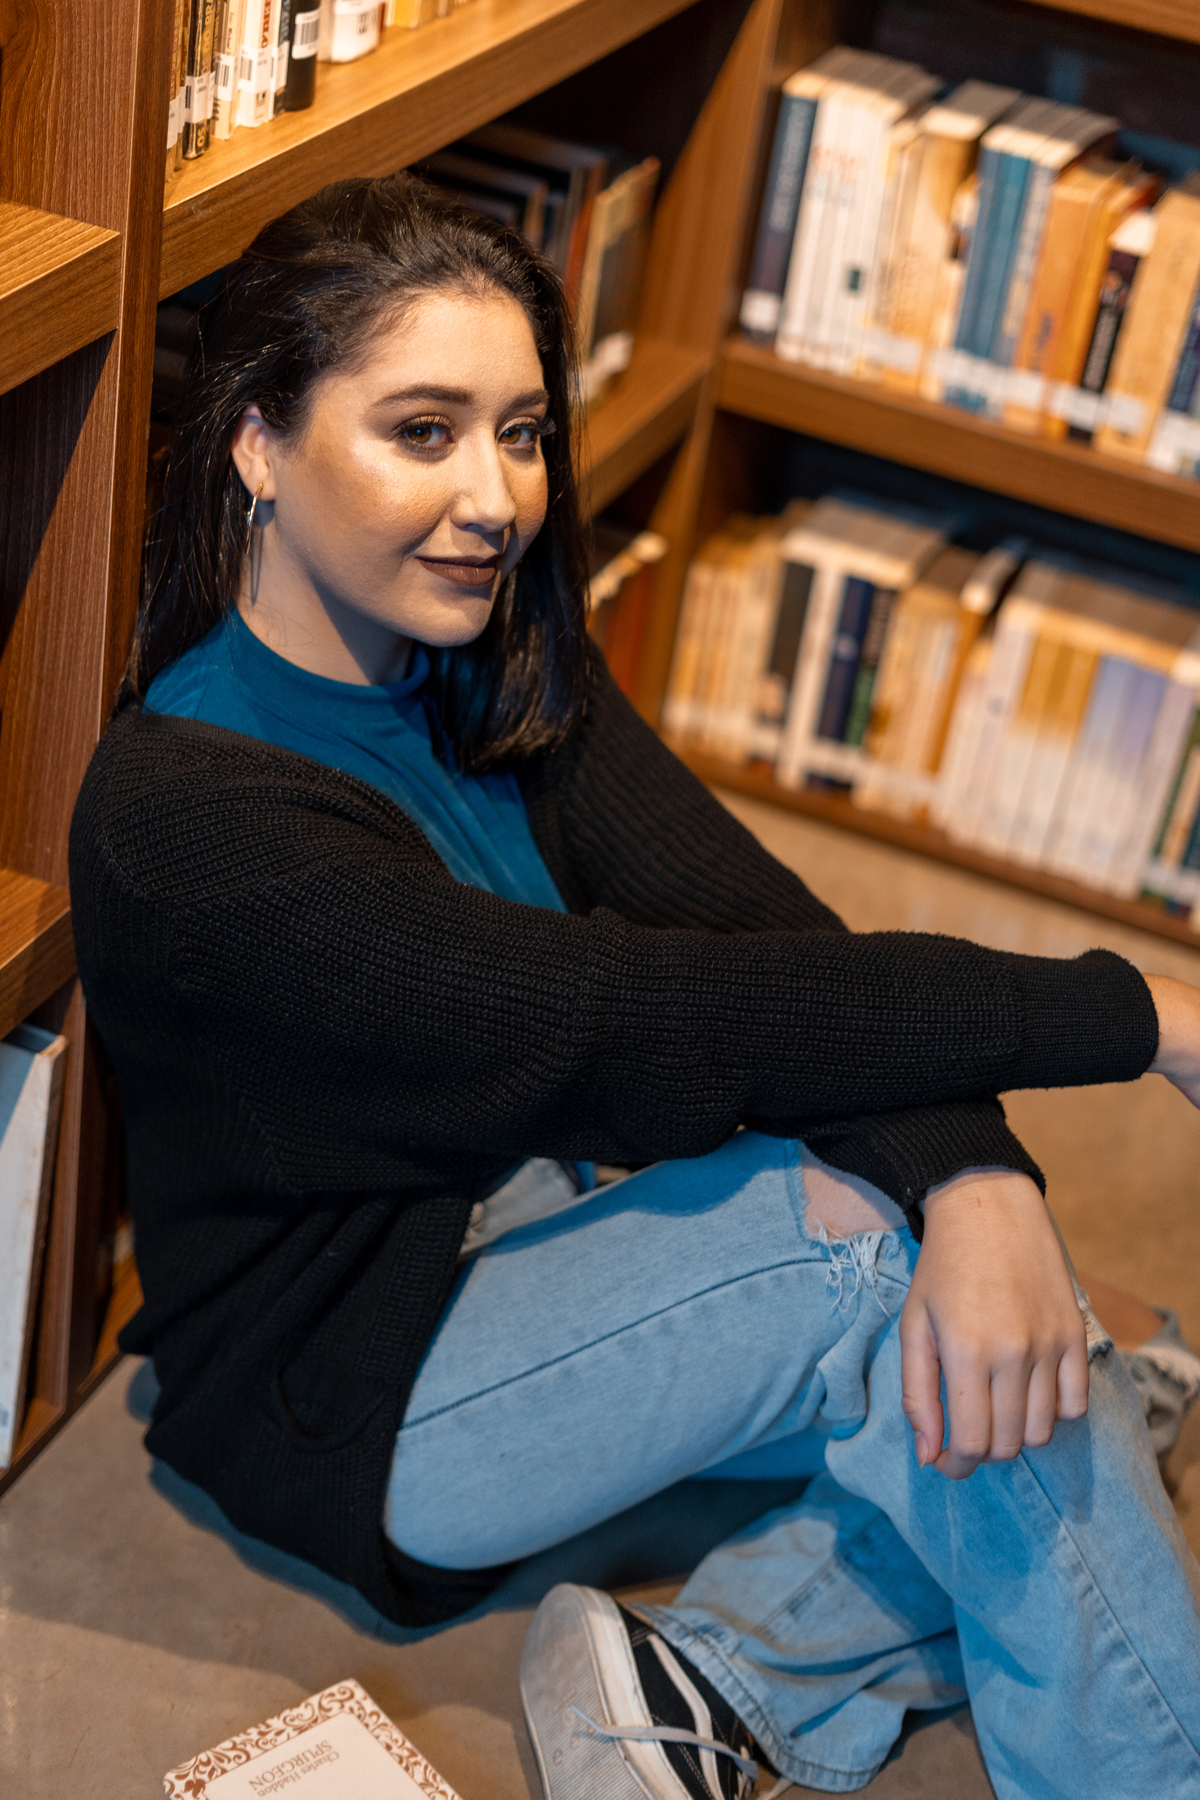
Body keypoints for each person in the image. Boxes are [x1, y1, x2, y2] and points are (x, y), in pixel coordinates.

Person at [68, 174, 1200, 1800]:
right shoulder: (195, 824)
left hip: (547, 1209)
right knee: (908, 1281)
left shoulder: (479, 643)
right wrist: (1138, 1017)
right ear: (256, 439)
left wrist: (978, 1170)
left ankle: (710, 1677)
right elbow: (650, 1020)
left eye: (520, 432)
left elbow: (759, 929)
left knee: (1006, 1323)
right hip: (356, 1378)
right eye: (424, 430)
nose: (496, 498)